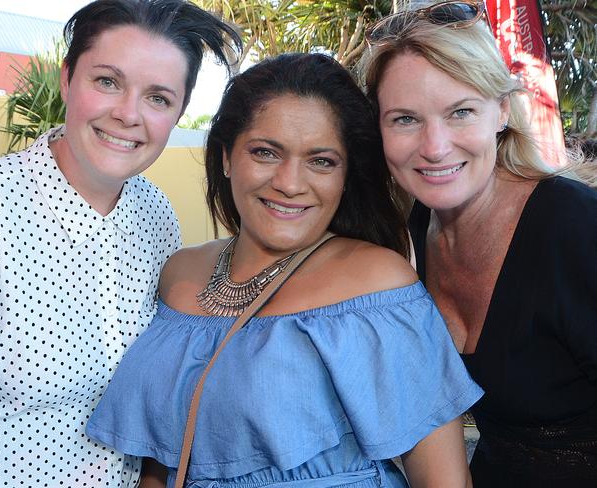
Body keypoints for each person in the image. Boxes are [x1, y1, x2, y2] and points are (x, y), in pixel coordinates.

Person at [85, 52, 483, 488]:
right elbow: (158, 463)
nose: (291, 183)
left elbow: (443, 478)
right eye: (265, 152)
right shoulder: (180, 272)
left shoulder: (376, 282)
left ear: (345, 176)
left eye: (321, 161)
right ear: (225, 157)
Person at [0, 1, 241, 486]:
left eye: (158, 98)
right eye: (107, 81)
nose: (128, 114)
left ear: (179, 113)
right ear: (67, 79)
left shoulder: (154, 212)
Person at [360, 1, 597, 486]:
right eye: (405, 119)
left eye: (460, 111)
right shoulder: (413, 229)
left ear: (502, 111)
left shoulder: (573, 226)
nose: (435, 146)